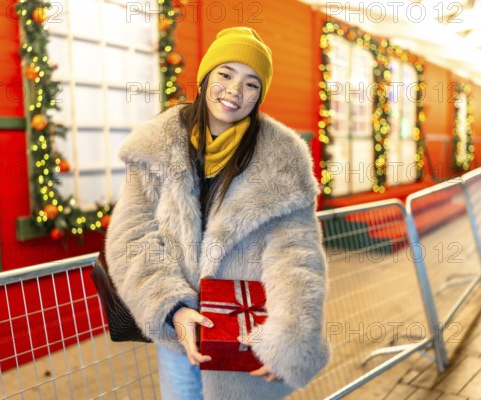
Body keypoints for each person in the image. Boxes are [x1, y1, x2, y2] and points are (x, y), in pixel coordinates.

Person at [105, 26, 330, 400]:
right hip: (182, 332)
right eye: (225, 74)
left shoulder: (282, 157)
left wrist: (289, 338)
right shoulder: (158, 145)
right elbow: (132, 235)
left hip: (247, 333)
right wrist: (172, 308)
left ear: (260, 95)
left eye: (251, 83)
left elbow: (297, 255)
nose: (234, 91)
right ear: (207, 76)